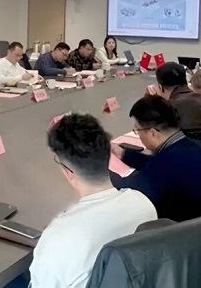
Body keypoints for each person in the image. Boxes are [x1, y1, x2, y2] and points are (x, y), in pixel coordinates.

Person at [30, 113, 157, 288]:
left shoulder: (57, 239)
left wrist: (55, 234)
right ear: (109, 157)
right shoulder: (143, 203)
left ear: (68, 172)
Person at [111, 96, 201, 222]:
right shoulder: (190, 145)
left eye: (137, 130)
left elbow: (126, 188)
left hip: (192, 229)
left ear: (152, 133)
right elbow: (158, 163)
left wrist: (100, 168)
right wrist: (124, 154)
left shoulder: (165, 166)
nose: (138, 134)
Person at [155, 62, 201, 153]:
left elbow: (158, 135)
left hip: (193, 152)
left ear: (160, 87)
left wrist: (155, 100)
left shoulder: (171, 105)